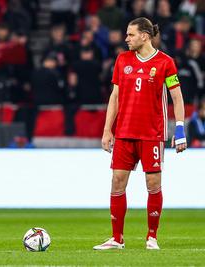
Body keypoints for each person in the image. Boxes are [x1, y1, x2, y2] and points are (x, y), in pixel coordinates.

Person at [93, 17, 187, 250]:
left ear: (144, 36)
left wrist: (181, 128)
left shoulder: (165, 63)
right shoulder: (122, 59)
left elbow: (177, 97)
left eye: (130, 34)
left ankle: (151, 236)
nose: (126, 39)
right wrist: (107, 130)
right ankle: (117, 238)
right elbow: (114, 97)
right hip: (124, 133)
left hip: (151, 134)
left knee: (153, 183)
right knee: (117, 182)